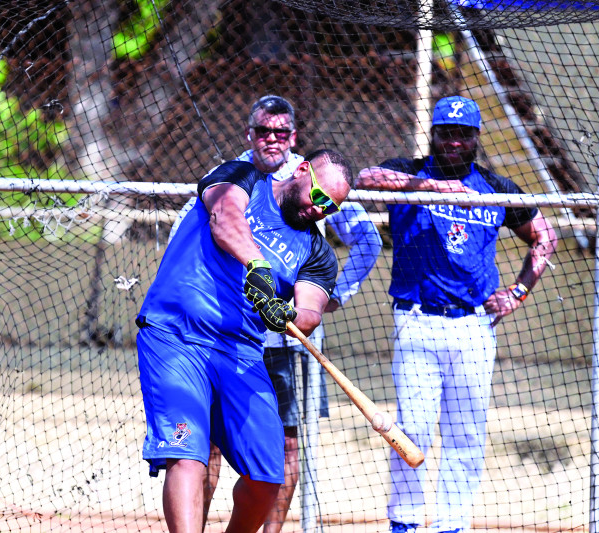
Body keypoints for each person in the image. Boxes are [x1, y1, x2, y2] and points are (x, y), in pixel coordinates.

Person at [169, 94, 382, 532]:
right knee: (203, 447)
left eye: (281, 132)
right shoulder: (239, 176)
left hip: (284, 346)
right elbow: (188, 231)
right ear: (250, 133)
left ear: (293, 138)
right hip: (219, 337)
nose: (272, 139)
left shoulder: (319, 178)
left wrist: (328, 300)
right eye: (264, 131)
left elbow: (368, 240)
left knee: (281, 448)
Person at [356, 95, 558, 533]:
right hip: (416, 319)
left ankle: (452, 525)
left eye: (463, 134)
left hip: (473, 325)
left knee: (466, 435)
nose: (453, 142)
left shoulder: (496, 188)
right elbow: (365, 177)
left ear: (476, 138)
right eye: (446, 133)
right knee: (411, 430)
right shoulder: (411, 170)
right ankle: (405, 523)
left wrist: (517, 292)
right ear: (434, 135)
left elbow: (545, 237)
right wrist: (429, 188)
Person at [136, 147, 354, 533]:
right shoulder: (244, 177)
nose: (320, 209)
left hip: (241, 354)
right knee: (188, 456)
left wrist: (288, 315)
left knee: (267, 476)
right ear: (303, 170)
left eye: (331, 208)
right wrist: (258, 265)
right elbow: (224, 219)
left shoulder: (318, 252)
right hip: (177, 336)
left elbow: (310, 311)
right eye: (319, 196)